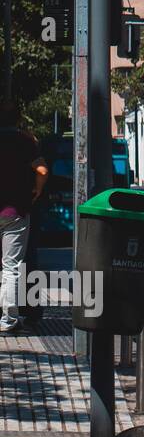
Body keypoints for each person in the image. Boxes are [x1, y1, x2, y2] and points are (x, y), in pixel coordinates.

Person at [0, 101, 49, 334]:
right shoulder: (26, 140)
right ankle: (9, 320)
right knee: (10, 267)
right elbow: (42, 170)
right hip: (15, 212)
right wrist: (37, 190)